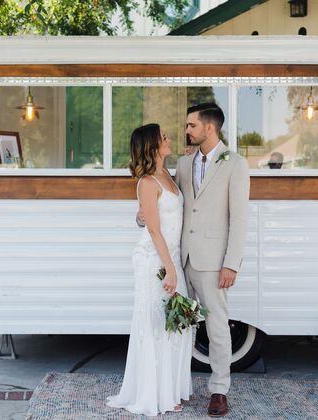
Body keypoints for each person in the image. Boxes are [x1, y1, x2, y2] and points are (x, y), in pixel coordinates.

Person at [140, 103, 250, 417]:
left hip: (214, 262)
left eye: (191, 125)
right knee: (181, 327)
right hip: (182, 258)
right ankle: (176, 386)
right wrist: (142, 215)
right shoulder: (185, 163)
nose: (186, 130)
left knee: (217, 327)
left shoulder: (236, 164)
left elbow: (239, 219)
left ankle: (219, 391)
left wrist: (231, 263)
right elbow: (171, 202)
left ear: (209, 128)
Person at [106, 123, 193, 416]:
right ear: (152, 145)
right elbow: (154, 230)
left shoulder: (167, 174)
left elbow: (157, 216)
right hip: (154, 260)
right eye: (163, 137)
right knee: (157, 326)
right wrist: (170, 269)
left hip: (172, 257)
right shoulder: (147, 182)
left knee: (178, 324)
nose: (168, 139)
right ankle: (155, 394)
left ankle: (170, 389)